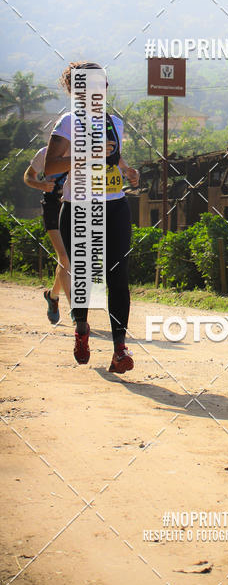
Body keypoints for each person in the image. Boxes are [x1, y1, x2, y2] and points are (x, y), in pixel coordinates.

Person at [44, 62, 140, 374]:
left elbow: (113, 154)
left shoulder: (115, 122)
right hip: (79, 207)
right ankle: (82, 328)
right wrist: (85, 155)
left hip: (115, 205)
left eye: (102, 84)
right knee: (84, 275)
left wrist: (127, 169)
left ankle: (119, 349)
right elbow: (51, 167)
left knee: (118, 276)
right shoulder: (68, 123)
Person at [23, 146, 70, 325]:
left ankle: (53, 296)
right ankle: (77, 312)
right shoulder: (44, 153)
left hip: (74, 208)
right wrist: (40, 185)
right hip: (52, 207)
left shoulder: (82, 152)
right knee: (65, 258)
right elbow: (28, 176)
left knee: (67, 261)